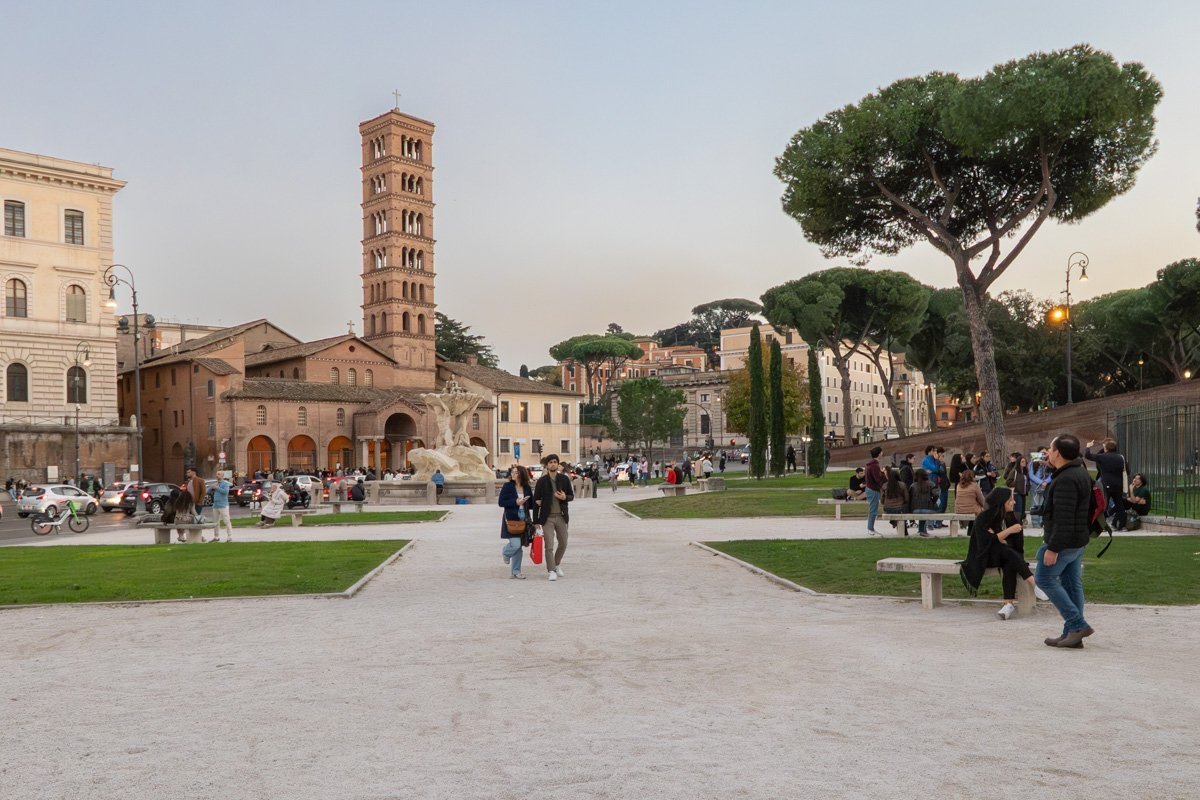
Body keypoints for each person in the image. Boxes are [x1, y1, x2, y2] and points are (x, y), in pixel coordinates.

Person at [1035, 434, 1095, 649]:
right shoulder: (1079, 472)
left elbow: (1064, 517)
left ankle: (1077, 625)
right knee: (1072, 585)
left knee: (1044, 578)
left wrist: (1053, 548)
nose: (1048, 453)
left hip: (1064, 541)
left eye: (1051, 449)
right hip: (1077, 539)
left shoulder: (1066, 479)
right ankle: (1072, 634)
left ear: (1058, 453)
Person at [961, 487, 1048, 620]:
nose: (1014, 502)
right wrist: (1008, 531)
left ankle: (1008, 604)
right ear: (1002, 502)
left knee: (1009, 560)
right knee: (1007, 552)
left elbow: (1016, 545)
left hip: (1001, 555)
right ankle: (1035, 584)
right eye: (1010, 500)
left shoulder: (1006, 516)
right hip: (983, 557)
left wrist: (1000, 535)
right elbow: (985, 543)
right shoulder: (983, 518)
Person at [533, 454, 573, 582]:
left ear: (558, 464)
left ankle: (556, 564)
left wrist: (564, 497)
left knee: (563, 543)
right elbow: (536, 501)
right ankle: (551, 570)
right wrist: (536, 522)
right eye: (550, 462)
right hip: (547, 518)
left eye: (555, 462)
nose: (553, 464)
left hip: (561, 516)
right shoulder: (542, 481)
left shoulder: (564, 479)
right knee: (549, 545)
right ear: (547, 465)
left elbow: (571, 496)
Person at [1085, 438, 1128, 531]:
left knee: (1104, 505)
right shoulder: (1120, 457)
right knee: (1119, 505)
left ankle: (1102, 525)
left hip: (1106, 484)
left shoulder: (1103, 457)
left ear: (1106, 448)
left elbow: (1088, 455)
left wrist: (1088, 447)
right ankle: (1122, 525)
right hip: (1118, 484)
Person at [498, 465, 533, 579]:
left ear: (521, 474)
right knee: (515, 544)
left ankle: (516, 571)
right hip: (511, 518)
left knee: (519, 547)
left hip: (524, 518)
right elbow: (501, 502)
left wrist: (537, 502)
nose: (513, 474)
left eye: (516, 472)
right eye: (512, 472)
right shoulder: (508, 486)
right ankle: (506, 552)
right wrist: (515, 502)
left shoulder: (526, 487)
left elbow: (531, 504)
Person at [909, 468, 939, 536]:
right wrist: (933, 502)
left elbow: (909, 498)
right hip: (929, 509)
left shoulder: (913, 486)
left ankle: (921, 530)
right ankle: (922, 531)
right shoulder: (931, 484)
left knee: (922, 511)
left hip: (915, 510)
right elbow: (936, 495)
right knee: (924, 511)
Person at [864, 447, 886, 536]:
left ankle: (871, 528)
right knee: (873, 510)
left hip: (870, 489)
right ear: (879, 454)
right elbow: (878, 479)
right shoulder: (874, 465)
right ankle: (870, 528)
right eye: (881, 452)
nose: (882, 454)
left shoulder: (871, 464)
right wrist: (883, 473)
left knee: (873, 509)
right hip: (873, 490)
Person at [1028, 447, 1052, 527]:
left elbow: (1052, 475)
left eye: (1044, 453)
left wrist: (1046, 482)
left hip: (1045, 486)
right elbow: (1031, 475)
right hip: (1035, 486)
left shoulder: (1049, 463)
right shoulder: (1032, 463)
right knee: (1034, 503)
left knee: (1043, 503)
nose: (1043, 455)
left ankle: (1042, 521)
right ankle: (1035, 522)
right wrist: (1041, 482)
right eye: (1041, 453)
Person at [881, 468, 909, 533]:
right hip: (900, 508)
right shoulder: (902, 485)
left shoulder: (884, 485)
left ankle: (894, 522)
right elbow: (907, 499)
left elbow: (882, 500)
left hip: (887, 509)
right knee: (902, 509)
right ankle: (901, 528)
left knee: (898, 512)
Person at [209, 469, 233, 543]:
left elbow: (225, 492)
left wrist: (217, 488)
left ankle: (229, 536)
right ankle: (216, 537)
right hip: (215, 505)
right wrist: (212, 487)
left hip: (223, 505)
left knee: (226, 521)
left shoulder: (225, 484)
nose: (217, 475)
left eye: (219, 474)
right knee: (216, 522)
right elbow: (208, 491)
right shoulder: (215, 483)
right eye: (217, 474)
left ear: (222, 476)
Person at [1005, 454, 1030, 522]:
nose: (1024, 463)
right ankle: (1017, 523)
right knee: (1018, 510)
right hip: (1017, 493)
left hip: (1023, 493)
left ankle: (1020, 523)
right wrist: (1016, 485)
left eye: (1025, 461)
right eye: (1022, 461)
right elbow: (1008, 482)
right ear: (1018, 462)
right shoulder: (1014, 471)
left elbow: (1027, 482)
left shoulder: (1025, 472)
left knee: (1022, 510)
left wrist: (1027, 488)